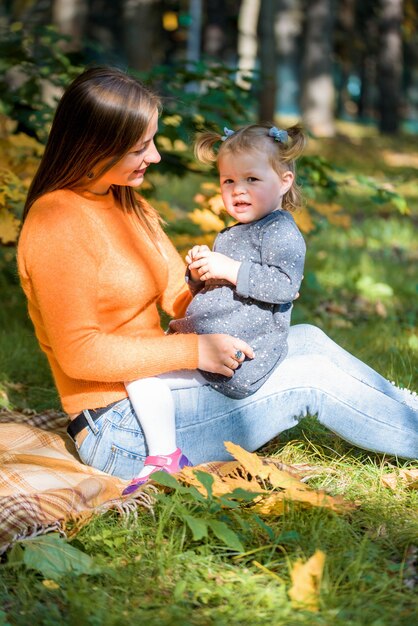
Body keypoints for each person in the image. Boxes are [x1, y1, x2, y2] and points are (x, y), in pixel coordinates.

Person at [17, 67, 418, 494]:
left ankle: (409, 410)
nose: (154, 157)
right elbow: (80, 355)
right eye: (141, 147)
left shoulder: (122, 200)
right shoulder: (57, 222)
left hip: (160, 387)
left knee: (308, 340)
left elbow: (177, 293)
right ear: (96, 146)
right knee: (310, 378)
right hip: (124, 426)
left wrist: (248, 296)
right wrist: (196, 349)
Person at [123, 123, 307, 494]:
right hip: (209, 342)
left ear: (284, 181)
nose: (238, 190)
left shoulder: (280, 231)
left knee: (140, 374)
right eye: (228, 181)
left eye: (252, 179)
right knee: (139, 373)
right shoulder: (232, 232)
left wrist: (231, 269)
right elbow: (215, 291)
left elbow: (286, 286)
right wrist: (199, 272)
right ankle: (161, 447)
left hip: (238, 355)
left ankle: (163, 457)